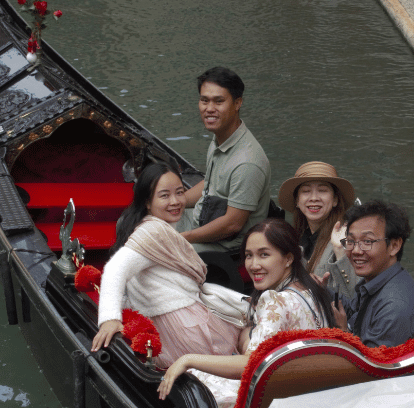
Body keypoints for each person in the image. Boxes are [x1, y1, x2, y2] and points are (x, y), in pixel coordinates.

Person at [157, 219, 335, 406]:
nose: (253, 265)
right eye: (249, 256)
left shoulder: (275, 301)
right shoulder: (311, 290)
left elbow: (249, 364)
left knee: (189, 381)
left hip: (278, 396)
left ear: (289, 258)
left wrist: (187, 360)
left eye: (264, 255)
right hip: (306, 391)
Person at [90, 163, 240, 366]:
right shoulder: (153, 232)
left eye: (179, 193)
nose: (175, 201)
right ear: (147, 203)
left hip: (176, 325)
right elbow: (116, 269)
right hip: (185, 330)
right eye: (164, 195)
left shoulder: (152, 228)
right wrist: (109, 318)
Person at [177, 66, 271, 253]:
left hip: (226, 248)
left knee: (158, 252)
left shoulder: (247, 162)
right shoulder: (221, 138)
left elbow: (232, 224)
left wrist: (181, 238)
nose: (209, 109)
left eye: (219, 101)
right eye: (204, 101)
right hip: (204, 219)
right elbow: (209, 185)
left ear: (237, 103)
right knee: (148, 217)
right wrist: (176, 201)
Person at [332, 200, 414, 348]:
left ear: (394, 246)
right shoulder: (377, 280)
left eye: (367, 241)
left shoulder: (394, 307)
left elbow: (372, 366)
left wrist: (343, 331)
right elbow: (351, 309)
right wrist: (316, 288)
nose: (356, 251)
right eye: (351, 241)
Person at [277, 161, 359, 299]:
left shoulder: (347, 237)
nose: (314, 198)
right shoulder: (296, 238)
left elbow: (356, 296)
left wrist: (341, 252)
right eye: (306, 191)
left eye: (322, 190)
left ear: (335, 200)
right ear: (297, 201)